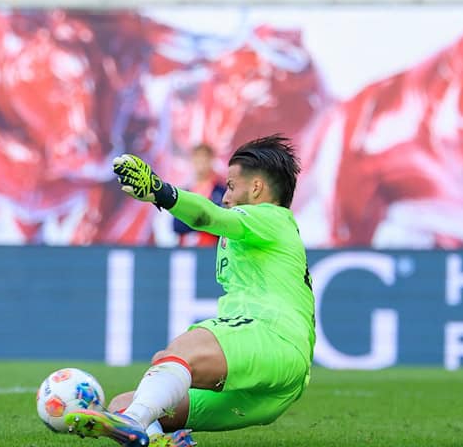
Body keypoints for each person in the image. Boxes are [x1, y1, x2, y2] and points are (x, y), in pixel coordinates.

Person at [65, 135, 314, 447]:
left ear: (256, 188)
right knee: (129, 398)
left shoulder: (270, 217)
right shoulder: (255, 233)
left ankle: (134, 422)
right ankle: (154, 438)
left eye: (231, 187)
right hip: (269, 390)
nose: (225, 197)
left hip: (273, 339)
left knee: (182, 351)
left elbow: (207, 216)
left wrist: (160, 192)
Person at [172, 144, 225, 247]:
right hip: (187, 251)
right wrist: (206, 221)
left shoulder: (221, 192)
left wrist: (192, 219)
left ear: (211, 161)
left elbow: (222, 223)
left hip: (213, 250)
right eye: (197, 160)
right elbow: (177, 225)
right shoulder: (183, 193)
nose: (201, 164)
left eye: (204, 160)